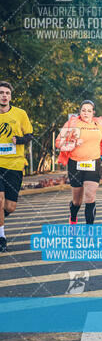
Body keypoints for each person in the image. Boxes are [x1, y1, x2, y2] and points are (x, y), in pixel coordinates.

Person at [56, 100, 102, 225]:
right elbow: (59, 142)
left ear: (93, 112)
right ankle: (73, 216)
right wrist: (74, 143)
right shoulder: (73, 123)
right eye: (83, 110)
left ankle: (89, 231)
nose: (86, 113)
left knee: (90, 196)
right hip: (75, 164)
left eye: (89, 110)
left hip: (94, 162)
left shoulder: (99, 123)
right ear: (80, 111)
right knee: (77, 201)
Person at [0, 81, 33, 252]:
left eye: (7, 93)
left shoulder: (20, 114)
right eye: (1, 93)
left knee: (10, 207)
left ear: (10, 96)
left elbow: (29, 136)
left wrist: (19, 140)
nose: (4, 96)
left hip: (15, 165)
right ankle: (1, 237)